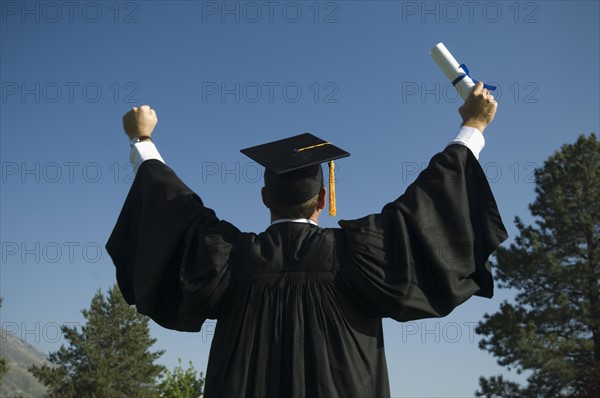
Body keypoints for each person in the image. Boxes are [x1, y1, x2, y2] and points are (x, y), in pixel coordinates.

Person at [107, 82, 507, 397]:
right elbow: (430, 204)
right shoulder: (362, 255)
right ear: (322, 199)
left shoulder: (226, 260)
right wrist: (473, 124)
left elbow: (173, 209)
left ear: (264, 197)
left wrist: (143, 140)